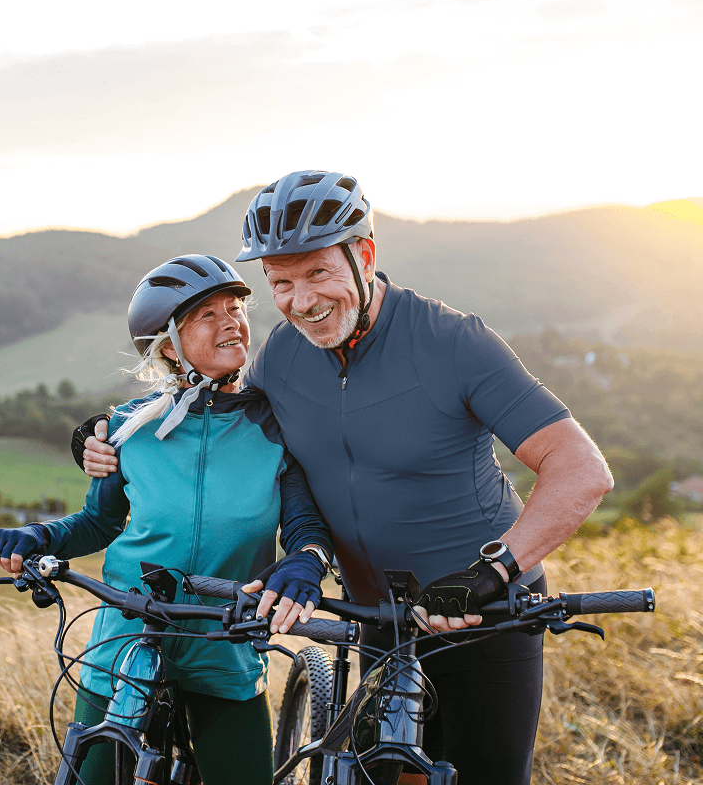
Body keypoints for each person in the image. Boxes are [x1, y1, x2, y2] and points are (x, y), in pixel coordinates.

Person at [78, 172, 614, 785]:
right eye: (280, 282)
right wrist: (102, 435)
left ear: (364, 256)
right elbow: (208, 412)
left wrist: (489, 574)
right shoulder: (281, 356)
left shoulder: (453, 341)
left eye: (317, 274)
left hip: (484, 617)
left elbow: (580, 471)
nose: (301, 301)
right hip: (374, 620)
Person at [0, 254, 333, 785]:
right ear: (169, 345)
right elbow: (96, 524)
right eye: (206, 315)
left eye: (234, 308)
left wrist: (306, 561)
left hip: (226, 644)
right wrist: (37, 536)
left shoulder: (274, 425)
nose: (231, 322)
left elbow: (305, 523)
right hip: (128, 635)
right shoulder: (129, 428)